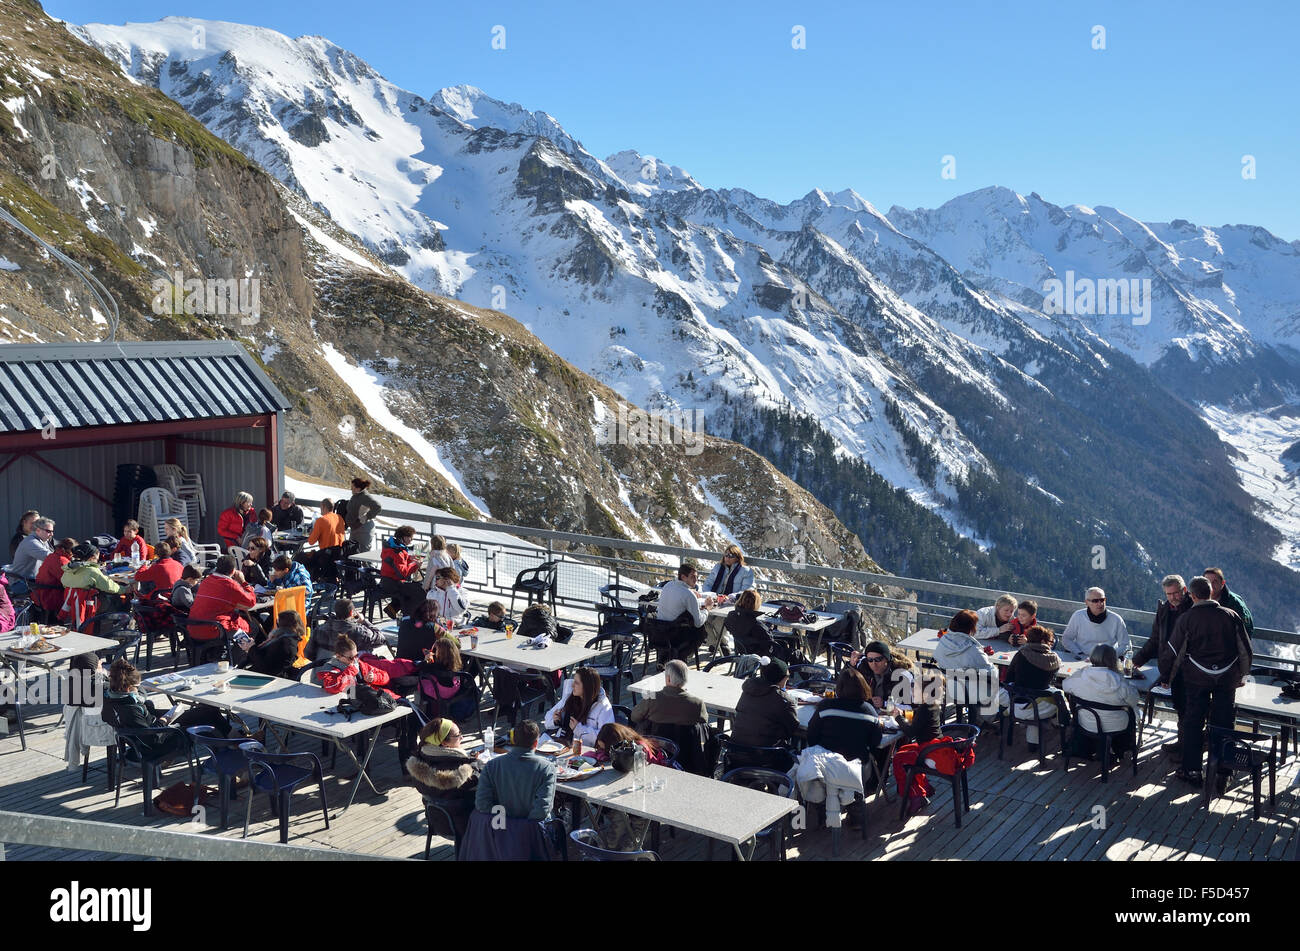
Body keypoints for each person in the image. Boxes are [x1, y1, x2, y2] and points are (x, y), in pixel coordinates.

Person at [1161, 576, 1252, 787]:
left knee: (1193, 722)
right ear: (1211, 592)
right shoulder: (1231, 615)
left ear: (1192, 596)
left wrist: (1167, 676)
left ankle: (1192, 770)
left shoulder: (1187, 619)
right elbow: (1245, 649)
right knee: (1224, 723)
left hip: (1196, 679)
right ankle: (1223, 771)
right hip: (1227, 679)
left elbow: (1174, 652)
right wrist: (1243, 675)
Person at [103, 659, 230, 757]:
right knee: (207, 722)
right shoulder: (130, 708)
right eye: (137, 686)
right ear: (127, 688)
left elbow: (138, 717)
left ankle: (233, 738)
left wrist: (166, 714)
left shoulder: (110, 697)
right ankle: (230, 748)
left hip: (152, 728)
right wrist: (165, 719)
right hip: (159, 742)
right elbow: (150, 737)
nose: (139, 689)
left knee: (209, 711)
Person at [1137, 574, 1192, 754]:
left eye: (1176, 593)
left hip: (1188, 669)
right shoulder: (1164, 610)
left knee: (1187, 709)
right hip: (1169, 668)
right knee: (1180, 706)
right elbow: (1155, 640)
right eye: (1168, 594)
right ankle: (1183, 744)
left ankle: (1186, 749)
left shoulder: (1193, 609)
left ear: (1184, 590)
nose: (1173, 598)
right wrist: (1138, 660)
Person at [405, 717, 482, 841]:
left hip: (436, 821)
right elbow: (480, 779)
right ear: (444, 743)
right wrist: (475, 762)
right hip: (465, 824)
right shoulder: (458, 770)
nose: (462, 738)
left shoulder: (418, 763)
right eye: (458, 735)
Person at [852, 640, 941, 743]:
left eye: (878, 659)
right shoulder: (864, 666)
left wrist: (885, 703)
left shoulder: (902, 676)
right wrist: (851, 664)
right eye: (870, 660)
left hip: (895, 723)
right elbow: (845, 682)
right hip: (871, 715)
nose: (874, 664)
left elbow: (912, 707)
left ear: (887, 659)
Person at [1062, 643, 1142, 757]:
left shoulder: (1080, 677)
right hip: (1116, 725)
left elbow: (1065, 685)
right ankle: (1121, 748)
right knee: (1134, 711)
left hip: (1086, 723)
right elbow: (1134, 700)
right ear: (1113, 660)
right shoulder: (1119, 683)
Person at [474, 719, 556, 821]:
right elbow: (542, 810)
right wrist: (522, 828)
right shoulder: (547, 768)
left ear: (512, 740)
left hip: (499, 831)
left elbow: (482, 804)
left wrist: (504, 824)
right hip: (531, 833)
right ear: (536, 743)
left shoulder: (491, 765)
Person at [731, 657, 799, 766]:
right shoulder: (783, 700)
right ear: (781, 678)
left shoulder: (748, 689)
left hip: (735, 752)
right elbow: (792, 728)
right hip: (763, 757)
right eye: (787, 677)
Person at [806, 665, 883, 762]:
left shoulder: (826, 706)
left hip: (824, 763)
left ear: (839, 686)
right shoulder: (870, 711)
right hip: (855, 768)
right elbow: (875, 742)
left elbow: (811, 734)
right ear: (863, 687)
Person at [933, 609, 999, 720]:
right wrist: (983, 656)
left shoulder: (943, 641)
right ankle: (987, 720)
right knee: (997, 686)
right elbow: (991, 673)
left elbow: (940, 658)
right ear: (971, 628)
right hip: (971, 692)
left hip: (949, 689)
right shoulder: (972, 649)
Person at [1004, 624, 1062, 750]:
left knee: (1030, 696)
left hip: (1015, 704)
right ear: (1043, 641)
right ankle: (1058, 726)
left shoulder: (1021, 654)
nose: (1051, 644)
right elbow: (1052, 682)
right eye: (1050, 642)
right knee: (1053, 696)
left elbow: (1008, 678)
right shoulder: (1055, 659)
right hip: (1039, 707)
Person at [188, 555, 258, 645]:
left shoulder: (205, 581)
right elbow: (251, 603)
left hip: (193, 628)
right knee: (253, 627)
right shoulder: (231, 585)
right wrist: (243, 582)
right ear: (233, 571)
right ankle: (239, 656)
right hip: (214, 630)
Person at [650, 563, 710, 665]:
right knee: (701, 631)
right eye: (693, 577)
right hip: (676, 636)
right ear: (683, 576)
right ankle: (680, 659)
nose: (696, 580)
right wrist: (707, 609)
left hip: (659, 633)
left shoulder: (668, 585)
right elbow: (698, 622)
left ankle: (665, 658)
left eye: (697, 577)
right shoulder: (688, 595)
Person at [630, 659, 708, 731]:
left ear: (668, 678)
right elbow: (704, 723)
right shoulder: (698, 704)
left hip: (656, 744)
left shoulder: (651, 700)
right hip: (686, 745)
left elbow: (634, 717)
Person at [59, 543, 127, 625]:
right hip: (89, 604)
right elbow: (109, 586)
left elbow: (64, 582)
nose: (97, 561)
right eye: (97, 559)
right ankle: (114, 626)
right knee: (119, 600)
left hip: (70, 603)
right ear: (92, 558)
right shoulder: (92, 571)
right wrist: (125, 589)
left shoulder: (69, 568)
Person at [313, 634, 398, 698]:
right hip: (351, 703)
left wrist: (374, 677)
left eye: (356, 655)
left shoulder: (359, 664)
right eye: (350, 657)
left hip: (373, 697)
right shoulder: (331, 669)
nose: (354, 659)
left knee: (403, 703)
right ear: (338, 656)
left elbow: (386, 676)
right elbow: (332, 687)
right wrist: (349, 672)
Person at [545, 666, 614, 745]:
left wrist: (578, 729)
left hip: (586, 752)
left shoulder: (603, 706)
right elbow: (547, 718)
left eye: (576, 683)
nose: (572, 685)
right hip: (562, 744)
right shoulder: (570, 697)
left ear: (587, 687)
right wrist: (555, 720)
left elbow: (605, 737)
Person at [1060, 587, 1130, 659]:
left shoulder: (1116, 619)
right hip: (1082, 657)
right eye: (1095, 601)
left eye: (1102, 600)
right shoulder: (1078, 616)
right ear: (1086, 602)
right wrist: (1079, 653)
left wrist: (1111, 655)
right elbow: (1066, 638)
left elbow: (1126, 644)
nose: (1100, 603)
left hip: (1107, 660)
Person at [308, 598, 384, 662]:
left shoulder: (319, 629)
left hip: (322, 672)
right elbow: (381, 639)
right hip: (351, 673)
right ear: (351, 613)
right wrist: (364, 621)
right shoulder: (360, 632)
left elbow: (308, 654)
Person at [381, 526, 425, 619]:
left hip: (386, 581)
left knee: (412, 589)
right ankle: (408, 616)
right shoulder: (398, 552)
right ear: (404, 537)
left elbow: (397, 564)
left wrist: (409, 559)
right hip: (393, 583)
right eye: (410, 537)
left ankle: (392, 608)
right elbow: (403, 573)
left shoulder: (391, 546)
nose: (411, 540)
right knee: (420, 591)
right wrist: (416, 565)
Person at [246, 610, 305, 679]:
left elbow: (265, 667)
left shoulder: (283, 643)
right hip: (272, 673)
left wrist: (251, 648)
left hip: (267, 677)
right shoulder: (290, 638)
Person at [32, 537, 76, 620]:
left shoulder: (52, 556)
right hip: (50, 597)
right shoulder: (61, 561)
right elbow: (70, 581)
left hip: (41, 594)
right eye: (73, 552)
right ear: (68, 551)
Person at [721, 588, 774, 658]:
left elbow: (740, 628)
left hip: (741, 650)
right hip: (759, 655)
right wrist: (767, 628)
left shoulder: (731, 616)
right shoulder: (756, 625)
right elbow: (769, 641)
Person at [1203, 567, 1253, 638]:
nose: (1211, 585)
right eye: (1208, 582)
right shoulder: (1199, 600)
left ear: (1222, 583)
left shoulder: (1235, 603)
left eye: (1215, 582)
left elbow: (1247, 629)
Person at [10, 516, 55, 592]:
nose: (51, 534)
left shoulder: (44, 541)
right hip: (21, 583)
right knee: (54, 591)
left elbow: (55, 553)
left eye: (52, 531)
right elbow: (50, 557)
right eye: (48, 531)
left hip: (31, 581)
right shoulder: (31, 542)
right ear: (38, 530)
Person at [305, 498, 346, 578]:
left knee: (302, 557)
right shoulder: (339, 518)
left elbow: (311, 542)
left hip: (326, 555)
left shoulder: (321, 520)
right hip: (339, 554)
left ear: (323, 507)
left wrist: (312, 533)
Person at [346, 477, 383, 553]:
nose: (351, 489)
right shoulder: (356, 495)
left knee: (363, 553)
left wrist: (366, 517)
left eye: (353, 487)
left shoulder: (365, 497)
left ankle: (367, 565)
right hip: (355, 528)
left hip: (363, 529)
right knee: (352, 551)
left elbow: (377, 507)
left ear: (358, 488)